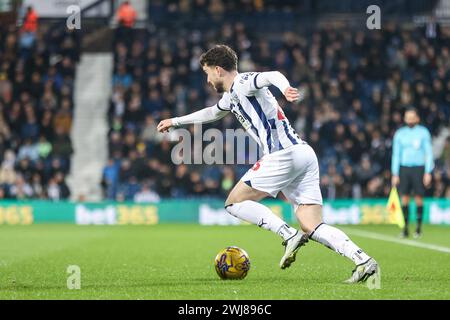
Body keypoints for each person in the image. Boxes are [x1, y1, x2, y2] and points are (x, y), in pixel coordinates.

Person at [157, 45, 379, 283]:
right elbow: (211, 113)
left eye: (208, 73)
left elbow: (271, 75)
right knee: (312, 224)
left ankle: (287, 233)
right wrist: (176, 121)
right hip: (303, 154)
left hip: (282, 154)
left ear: (219, 70)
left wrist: (285, 88)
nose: (208, 80)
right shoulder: (230, 96)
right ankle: (363, 261)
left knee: (234, 202)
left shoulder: (243, 82)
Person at [391, 107, 434, 238]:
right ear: (404, 119)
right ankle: (405, 229)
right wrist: (395, 173)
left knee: (419, 198)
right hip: (404, 168)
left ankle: (419, 229)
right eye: (407, 117)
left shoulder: (423, 132)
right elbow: (396, 154)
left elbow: (429, 153)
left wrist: (428, 172)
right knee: (404, 198)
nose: (409, 119)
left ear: (417, 118)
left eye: (412, 117)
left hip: (419, 168)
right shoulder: (399, 134)